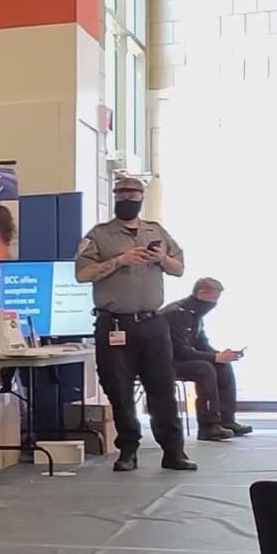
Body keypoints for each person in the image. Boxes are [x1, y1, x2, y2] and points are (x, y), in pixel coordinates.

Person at [75, 174, 195, 472]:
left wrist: (162, 259)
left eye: (133, 195)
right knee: (119, 390)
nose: (127, 199)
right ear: (114, 197)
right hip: (114, 324)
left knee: (162, 388)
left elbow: (179, 269)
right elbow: (82, 274)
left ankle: (174, 451)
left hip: (153, 324)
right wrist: (119, 261)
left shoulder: (156, 230)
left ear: (141, 198)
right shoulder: (99, 235)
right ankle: (127, 450)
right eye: (121, 194)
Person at [161, 278, 252, 442]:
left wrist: (221, 356)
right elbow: (180, 351)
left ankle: (226, 420)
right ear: (201, 294)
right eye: (214, 299)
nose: (215, 304)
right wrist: (214, 357)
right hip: (164, 362)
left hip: (181, 359)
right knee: (205, 368)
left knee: (223, 366)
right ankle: (209, 426)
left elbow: (202, 344)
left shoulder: (196, 315)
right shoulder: (175, 313)